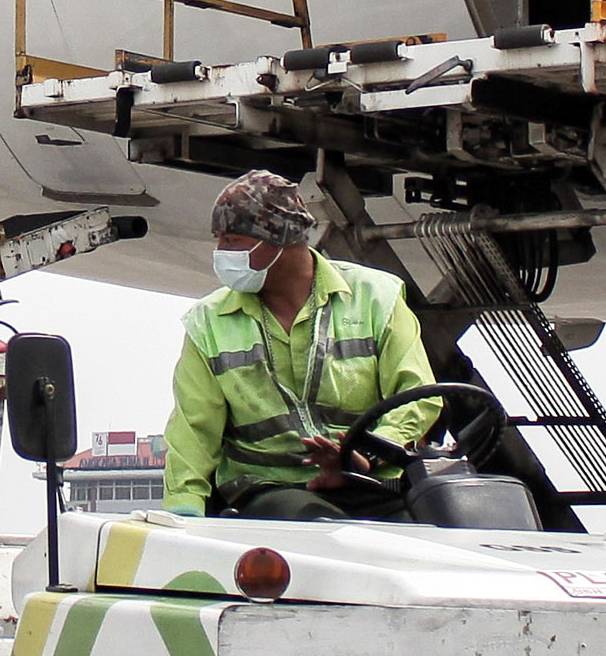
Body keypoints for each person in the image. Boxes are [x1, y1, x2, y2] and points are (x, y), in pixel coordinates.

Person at [160, 172, 438, 521]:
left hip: (368, 483)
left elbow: (419, 394)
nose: (221, 254)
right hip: (270, 491)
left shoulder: (376, 298)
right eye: (219, 240)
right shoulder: (208, 324)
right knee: (312, 523)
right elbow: (193, 434)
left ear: (279, 239)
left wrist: (365, 455)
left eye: (232, 240)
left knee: (445, 522)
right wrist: (183, 513)